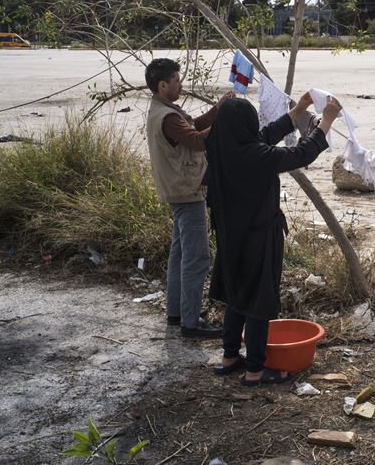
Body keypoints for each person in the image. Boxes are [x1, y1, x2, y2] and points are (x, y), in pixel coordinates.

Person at [204, 93, 341, 386]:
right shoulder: (253, 156)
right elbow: (300, 155)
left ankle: (229, 357)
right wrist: (326, 122)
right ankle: (255, 370)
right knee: (258, 303)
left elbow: (263, 136)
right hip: (258, 237)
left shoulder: (218, 146)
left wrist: (298, 111)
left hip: (229, 236)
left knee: (236, 296)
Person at [144, 58, 234, 338]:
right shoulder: (167, 116)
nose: (181, 84)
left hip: (180, 190)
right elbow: (197, 139)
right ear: (163, 85)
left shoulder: (164, 110)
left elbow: (193, 126)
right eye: (177, 80)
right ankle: (191, 323)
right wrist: (231, 122)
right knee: (196, 259)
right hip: (187, 191)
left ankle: (177, 313)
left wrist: (218, 109)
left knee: (180, 254)